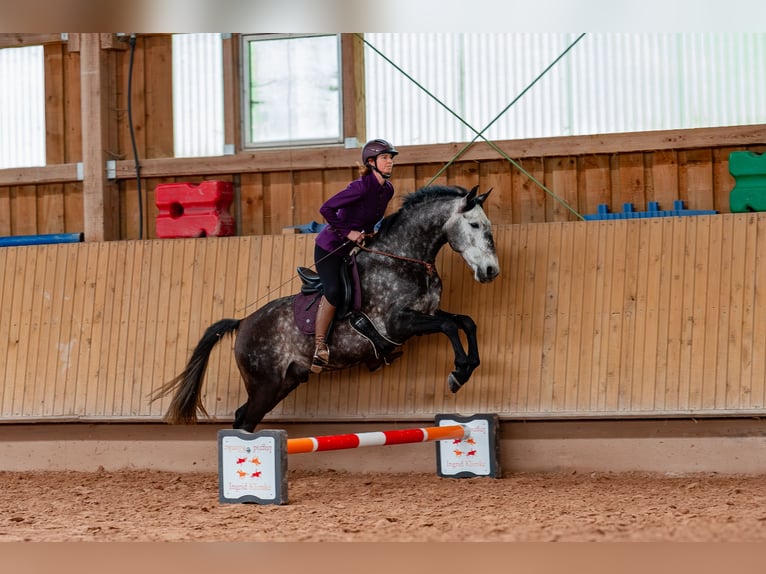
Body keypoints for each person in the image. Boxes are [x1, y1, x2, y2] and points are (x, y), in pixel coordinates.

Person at [310, 138, 398, 373]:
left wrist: (370, 231)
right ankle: (319, 347)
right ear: (371, 162)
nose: (390, 162)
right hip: (330, 248)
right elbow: (326, 209)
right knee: (335, 291)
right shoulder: (360, 187)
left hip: (353, 248)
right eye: (385, 158)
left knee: (369, 288)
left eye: (391, 158)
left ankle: (371, 347)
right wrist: (348, 232)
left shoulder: (387, 190)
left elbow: (368, 217)